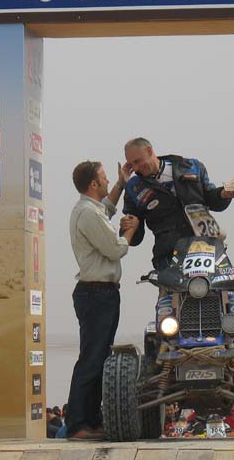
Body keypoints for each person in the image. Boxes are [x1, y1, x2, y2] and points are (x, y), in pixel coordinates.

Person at [66, 160, 140, 441]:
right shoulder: (88, 213)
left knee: (99, 359)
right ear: (94, 184)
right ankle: (78, 424)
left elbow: (106, 208)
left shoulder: (91, 209)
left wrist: (121, 182)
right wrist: (130, 230)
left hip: (99, 293)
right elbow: (115, 249)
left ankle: (91, 421)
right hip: (96, 293)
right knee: (92, 360)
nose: (108, 181)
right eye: (105, 178)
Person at [122, 137, 234, 270]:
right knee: (170, 285)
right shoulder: (133, 187)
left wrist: (224, 194)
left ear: (149, 151)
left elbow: (212, 199)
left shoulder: (191, 167)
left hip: (208, 249)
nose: (136, 168)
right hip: (169, 257)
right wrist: (127, 226)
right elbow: (134, 238)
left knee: (229, 282)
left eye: (137, 161)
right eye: (131, 165)